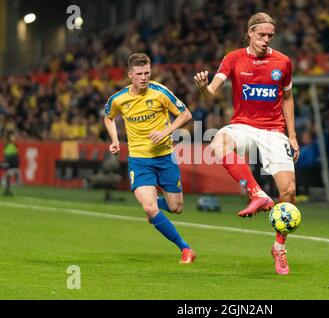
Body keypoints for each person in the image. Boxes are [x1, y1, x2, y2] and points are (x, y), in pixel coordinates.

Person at [194, 12, 299, 275]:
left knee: (288, 193)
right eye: (261, 35)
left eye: (270, 36)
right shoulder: (233, 58)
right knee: (218, 143)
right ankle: (257, 194)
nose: (266, 40)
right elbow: (212, 91)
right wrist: (203, 88)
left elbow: (287, 98)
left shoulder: (283, 62)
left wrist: (293, 135)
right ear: (250, 33)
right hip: (243, 124)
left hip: (274, 130)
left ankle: (279, 248)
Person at [104, 53, 195, 264]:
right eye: (139, 74)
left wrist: (166, 131)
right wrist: (115, 140)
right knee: (149, 208)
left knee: (176, 208)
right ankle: (185, 248)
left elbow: (186, 114)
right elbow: (108, 117)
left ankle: (156, 207)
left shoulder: (160, 92)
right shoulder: (119, 99)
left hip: (164, 157)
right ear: (130, 75)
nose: (144, 77)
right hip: (139, 160)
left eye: (147, 73)